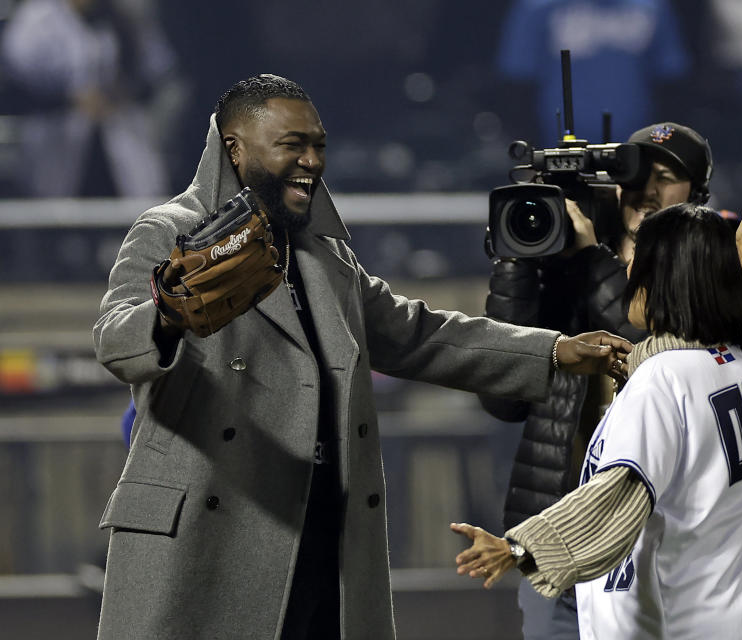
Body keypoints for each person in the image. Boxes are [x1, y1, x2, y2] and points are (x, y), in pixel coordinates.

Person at [92, 73, 633, 640]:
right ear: (235, 148)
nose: (311, 160)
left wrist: (552, 350)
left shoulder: (324, 255)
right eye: (292, 145)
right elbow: (112, 339)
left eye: (318, 145)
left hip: (319, 527)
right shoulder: (169, 231)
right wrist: (168, 315)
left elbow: (416, 333)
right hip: (209, 539)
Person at [480, 122, 742, 639]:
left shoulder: (660, 380)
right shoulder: (734, 357)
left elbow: (621, 491)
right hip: (740, 609)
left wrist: (522, 549)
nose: (631, 274)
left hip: (664, 602)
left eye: (640, 270)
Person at [1, 0, 179, 197]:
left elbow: (155, 73)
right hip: (54, 145)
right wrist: (69, 99)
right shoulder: (36, 17)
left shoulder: (122, 16)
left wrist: (122, 94)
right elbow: (16, 89)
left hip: (117, 138)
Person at [497, 0, 689, 145]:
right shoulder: (538, 8)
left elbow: (671, 80)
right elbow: (518, 82)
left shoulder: (651, 8)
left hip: (637, 140)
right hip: (557, 141)